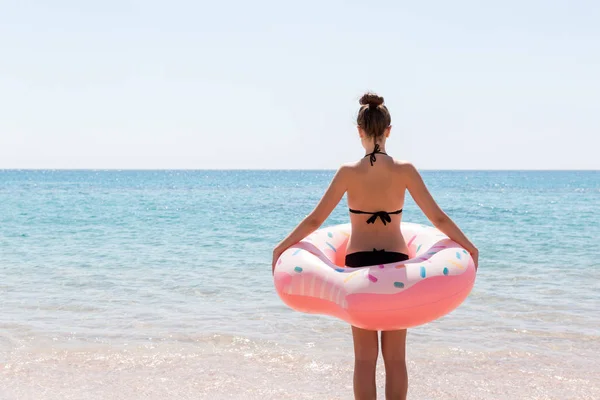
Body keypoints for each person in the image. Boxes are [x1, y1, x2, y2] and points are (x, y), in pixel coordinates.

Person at [272, 92, 478, 400]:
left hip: (358, 268)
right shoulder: (405, 170)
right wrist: (468, 247)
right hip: (398, 265)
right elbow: (437, 217)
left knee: (364, 360)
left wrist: (282, 247)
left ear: (359, 131)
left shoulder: (347, 173)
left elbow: (315, 221)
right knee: (395, 358)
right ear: (388, 130)